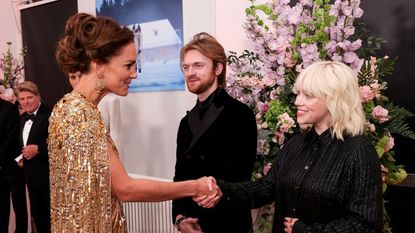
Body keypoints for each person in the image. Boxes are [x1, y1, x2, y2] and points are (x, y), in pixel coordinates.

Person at [49, 13, 218, 232]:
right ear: (99, 65)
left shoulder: (72, 108)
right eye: (128, 65)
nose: (134, 74)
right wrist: (195, 186)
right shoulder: (78, 113)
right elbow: (126, 189)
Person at [201, 61, 383, 233]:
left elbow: (364, 224)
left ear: (334, 99)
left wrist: (305, 230)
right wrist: (221, 189)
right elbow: (266, 188)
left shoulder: (359, 150)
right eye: (298, 94)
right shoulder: (295, 144)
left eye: (308, 95)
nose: (297, 102)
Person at [172, 32, 257, 233]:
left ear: (218, 68)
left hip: (228, 225)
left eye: (198, 65)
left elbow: (240, 179)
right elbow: (179, 177)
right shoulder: (185, 123)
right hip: (191, 224)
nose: (190, 72)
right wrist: (180, 218)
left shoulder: (241, 114)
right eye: (186, 67)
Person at [16, 81, 51, 233]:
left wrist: (39, 149)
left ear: (38, 97)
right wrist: (20, 157)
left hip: (49, 178)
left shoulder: (50, 114)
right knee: (38, 217)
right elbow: (22, 143)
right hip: (31, 177)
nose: (26, 102)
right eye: (22, 99)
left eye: (29, 97)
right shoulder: (22, 118)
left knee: (51, 218)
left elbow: (61, 143)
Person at [0, 98, 28, 233]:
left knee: (19, 204)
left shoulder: (9, 108)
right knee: (1, 205)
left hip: (12, 165)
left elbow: (11, 138)